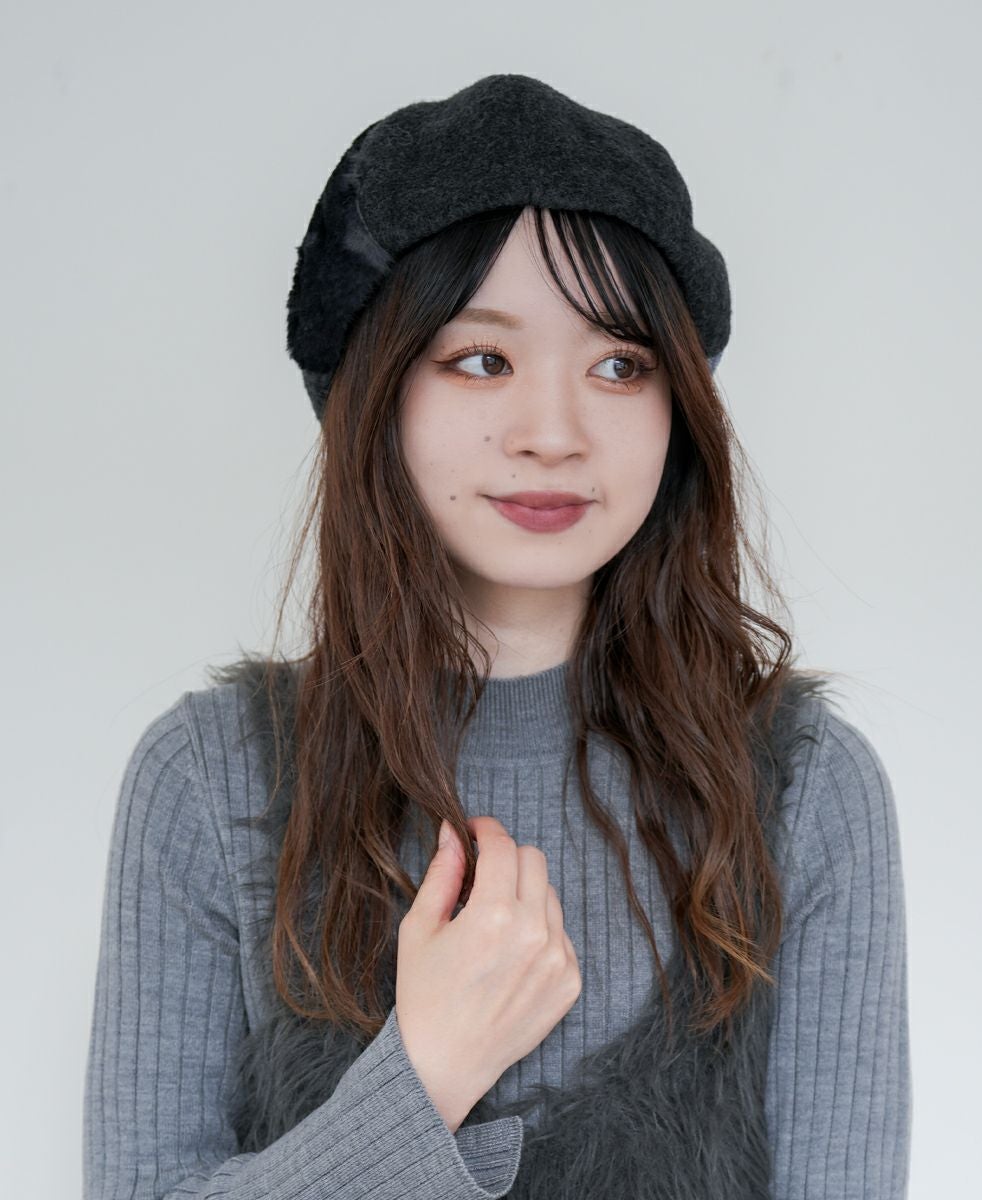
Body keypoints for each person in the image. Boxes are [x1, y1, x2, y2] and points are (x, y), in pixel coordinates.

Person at [82, 74, 911, 1199]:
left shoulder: (805, 789)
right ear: (376, 392)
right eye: (483, 359)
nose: (553, 433)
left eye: (619, 364)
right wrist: (423, 1079)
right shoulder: (209, 775)